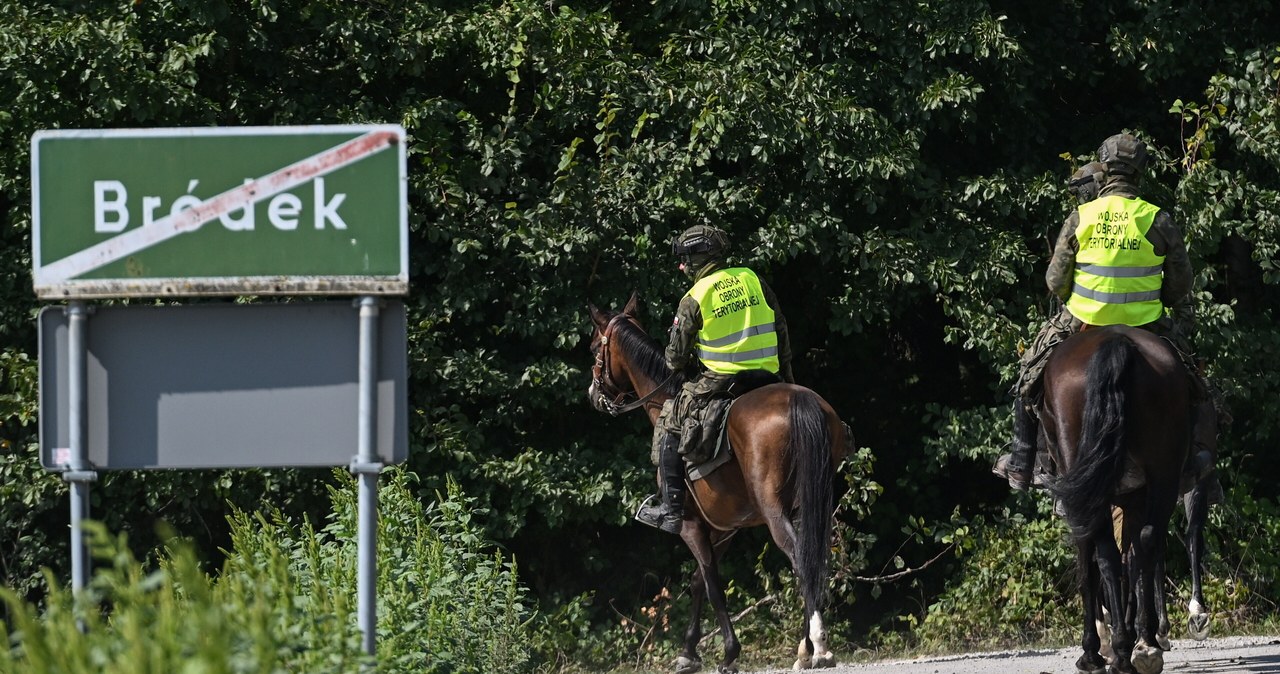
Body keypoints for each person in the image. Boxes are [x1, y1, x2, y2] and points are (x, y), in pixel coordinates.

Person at [994, 133, 1223, 492]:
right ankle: (1193, 462)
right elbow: (1180, 286)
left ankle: (1023, 461)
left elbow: (1055, 281)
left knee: (1029, 372)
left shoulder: (1081, 216)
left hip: (1083, 319)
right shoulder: (1157, 219)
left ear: (1103, 168)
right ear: (1141, 172)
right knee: (1195, 381)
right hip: (1148, 324)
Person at [635, 224, 795, 534]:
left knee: (669, 420)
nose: (681, 266)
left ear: (698, 258)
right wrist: (789, 379)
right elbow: (781, 330)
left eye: (684, 259)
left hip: (721, 381)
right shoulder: (753, 279)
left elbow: (674, 359)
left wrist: (680, 356)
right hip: (768, 377)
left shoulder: (695, 296)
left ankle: (670, 510)